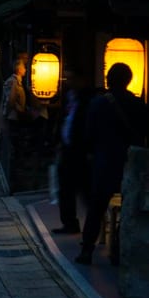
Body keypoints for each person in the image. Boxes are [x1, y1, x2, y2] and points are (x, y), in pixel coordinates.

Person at [76, 62, 145, 265]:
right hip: (130, 162)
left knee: (97, 208)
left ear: (108, 79)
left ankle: (87, 250)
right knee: (129, 207)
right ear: (128, 80)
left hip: (104, 162)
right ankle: (118, 249)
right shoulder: (137, 104)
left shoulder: (98, 104)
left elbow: (88, 135)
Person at [53, 66, 97, 234]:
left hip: (81, 151)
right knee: (65, 189)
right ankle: (69, 223)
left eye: (71, 78)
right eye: (67, 78)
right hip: (67, 148)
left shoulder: (89, 99)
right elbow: (64, 119)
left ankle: (93, 226)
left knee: (86, 190)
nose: (68, 82)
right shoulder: (68, 96)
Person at [0, 56, 29, 176]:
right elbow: (9, 101)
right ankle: (14, 171)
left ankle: (16, 168)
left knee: (16, 142)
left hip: (16, 116)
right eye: (23, 66)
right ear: (18, 68)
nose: (25, 69)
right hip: (13, 117)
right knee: (14, 143)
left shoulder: (17, 82)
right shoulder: (12, 82)